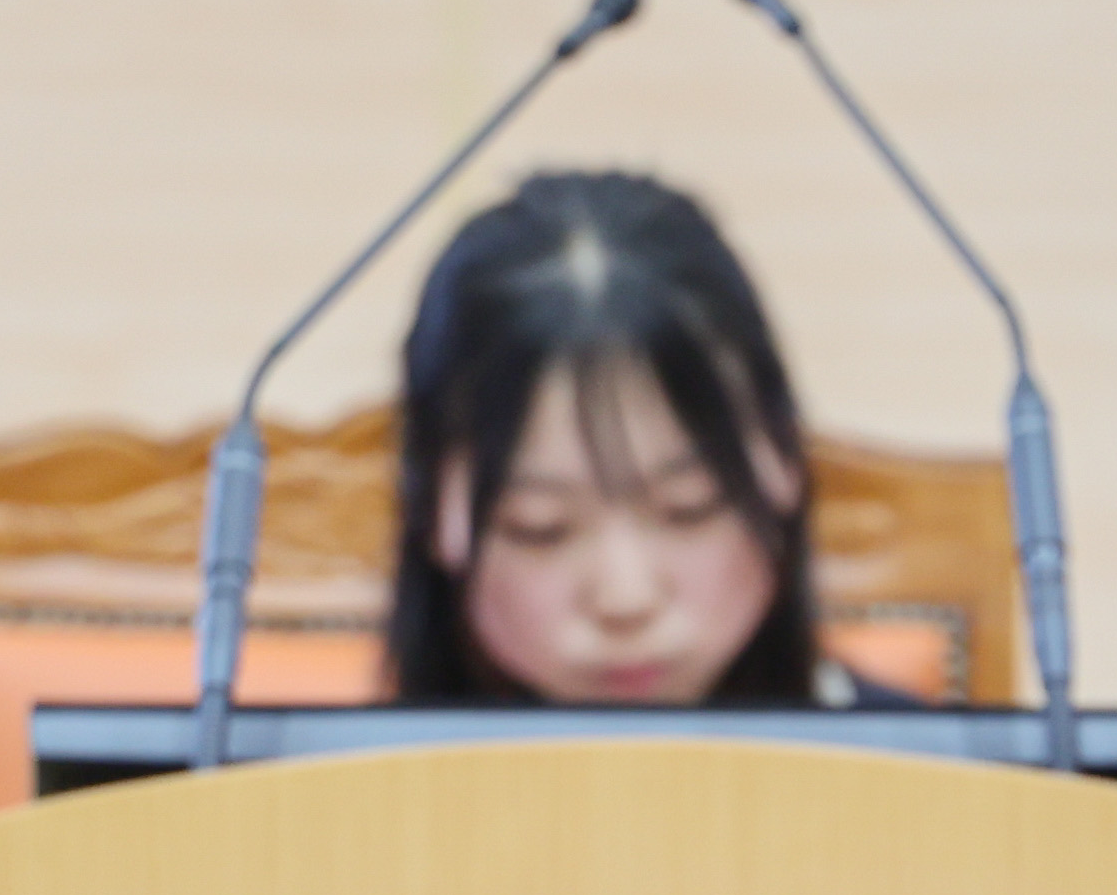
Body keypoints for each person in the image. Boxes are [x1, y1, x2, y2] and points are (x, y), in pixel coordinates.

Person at [383, 170, 910, 714]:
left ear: (783, 466)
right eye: (539, 526)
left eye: (690, 507)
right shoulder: (327, 792)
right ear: (434, 511)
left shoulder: (943, 785)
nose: (626, 598)